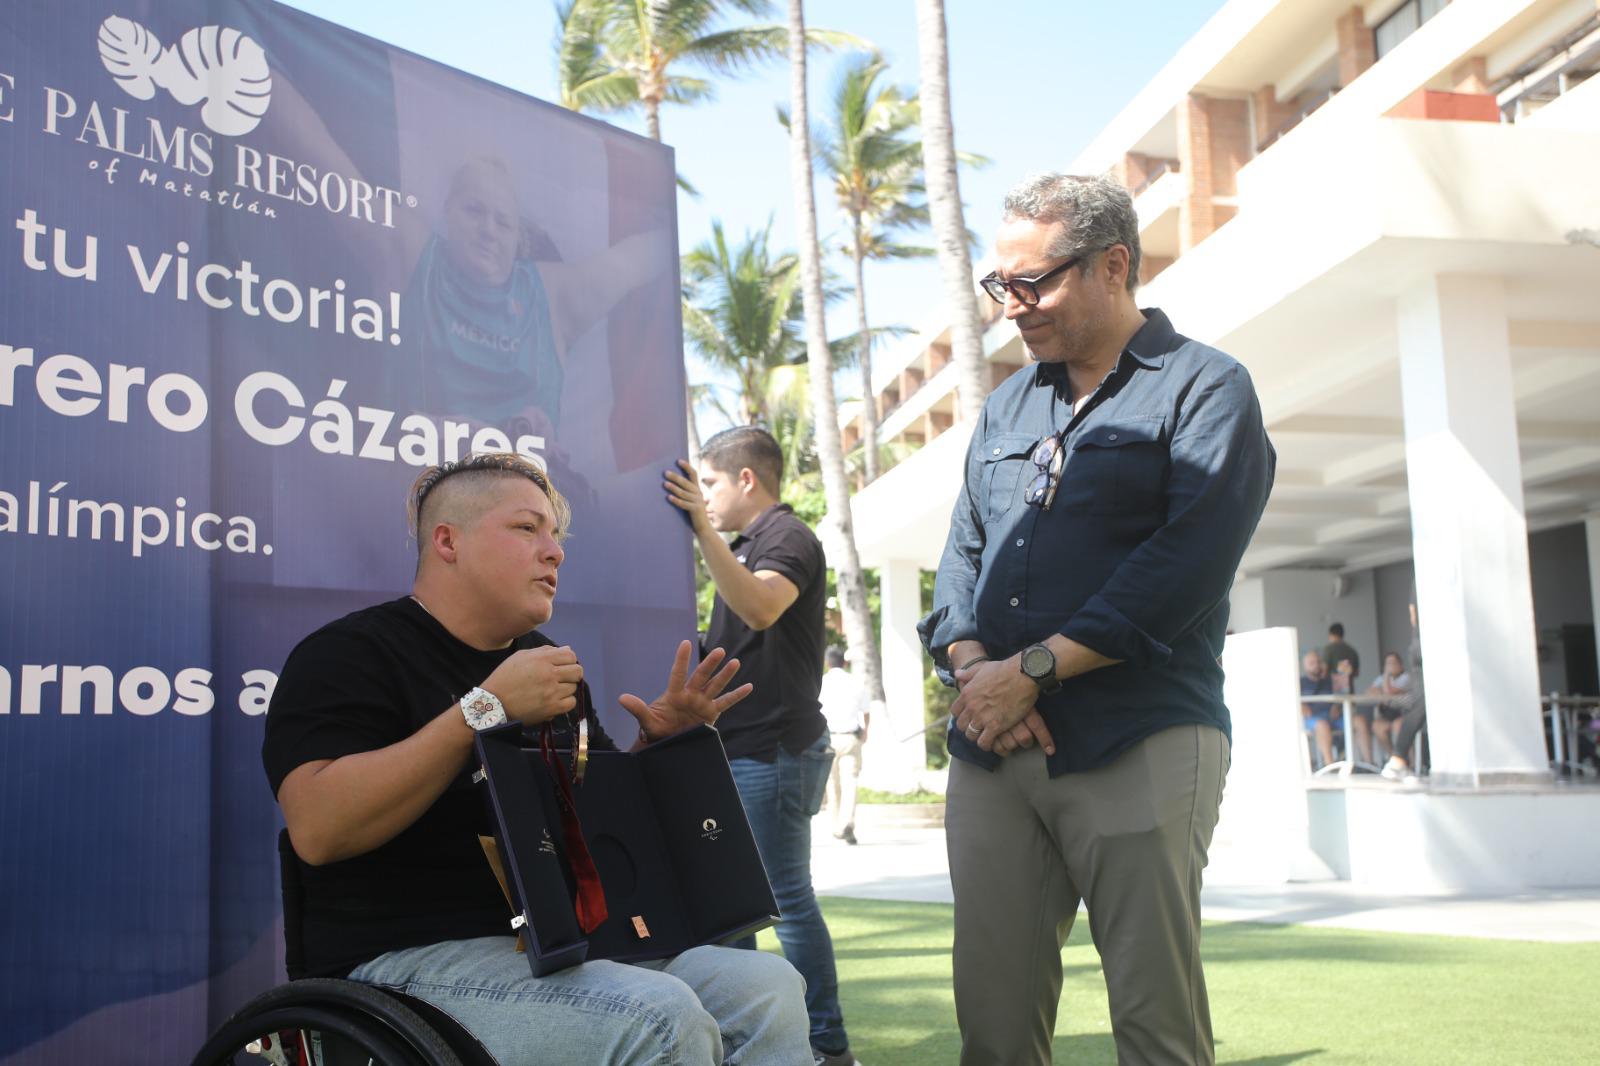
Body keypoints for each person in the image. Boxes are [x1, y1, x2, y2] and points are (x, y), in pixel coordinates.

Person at [261, 452, 813, 1066]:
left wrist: (655, 753)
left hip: (555, 943)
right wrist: (483, 710)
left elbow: (595, 822)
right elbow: (318, 829)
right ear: (447, 540)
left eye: (555, 535)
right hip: (401, 958)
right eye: (527, 529)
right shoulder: (350, 653)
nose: (554, 552)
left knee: (766, 988)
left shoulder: (547, 663)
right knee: (658, 1017)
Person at [917, 172, 1274, 1066]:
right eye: (1002, 286)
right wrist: (976, 673)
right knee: (992, 1029)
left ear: (1113, 265)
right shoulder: (1007, 405)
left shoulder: (1207, 389)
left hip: (1139, 735)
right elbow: (962, 557)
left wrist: (1030, 671)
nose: (1013, 307)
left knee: (1155, 1026)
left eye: (1033, 282)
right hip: (994, 744)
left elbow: (1185, 565)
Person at [663, 427, 857, 1066]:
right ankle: (750, 1036)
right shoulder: (747, 545)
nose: (705, 497)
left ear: (747, 479)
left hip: (774, 749)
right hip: (742, 747)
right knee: (738, 904)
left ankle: (827, 1046)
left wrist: (700, 529)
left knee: (784, 901)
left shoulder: (786, 537)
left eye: (711, 484)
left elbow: (761, 608)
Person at [819, 645, 870, 846]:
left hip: (828, 738)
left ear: (826, 662)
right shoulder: (855, 682)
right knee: (851, 782)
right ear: (845, 662)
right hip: (850, 737)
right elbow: (866, 711)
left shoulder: (821, 683)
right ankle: (847, 821)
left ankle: (836, 826)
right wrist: (866, 731)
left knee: (832, 784)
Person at [1366, 651, 1412, 761]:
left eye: (1393, 663)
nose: (1391, 666)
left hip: (1404, 713)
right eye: (1388, 664)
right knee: (1377, 726)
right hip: (1388, 713)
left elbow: (1389, 692)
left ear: (1400, 665)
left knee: (1398, 726)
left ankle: (1411, 761)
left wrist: (1385, 679)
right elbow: (1369, 691)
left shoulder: (1406, 677)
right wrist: (1380, 688)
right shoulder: (1382, 678)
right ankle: (1394, 758)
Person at [1300, 649, 1337, 769]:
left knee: (1359, 721)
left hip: (1333, 717)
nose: (1316, 665)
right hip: (1312, 719)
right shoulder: (1299, 683)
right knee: (1322, 724)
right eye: (1312, 663)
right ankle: (1330, 766)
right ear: (1305, 666)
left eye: (1318, 662)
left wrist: (1337, 706)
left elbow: (1343, 695)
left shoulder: (1330, 681)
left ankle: (1368, 763)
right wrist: (1301, 705)